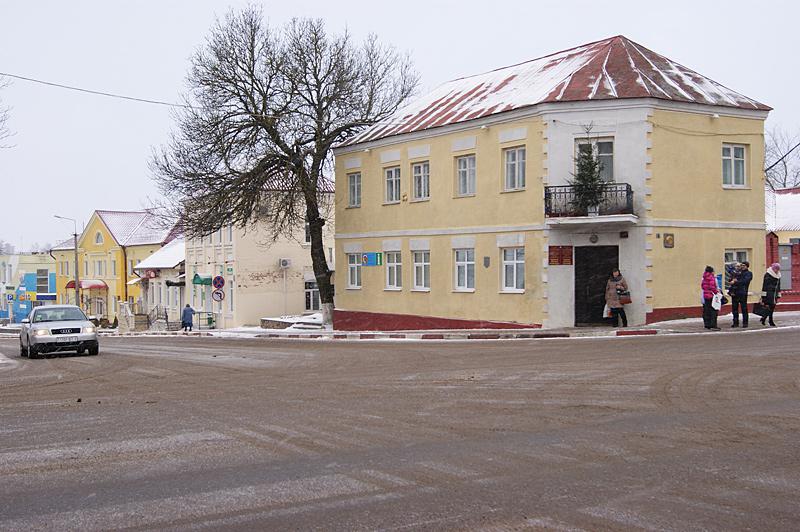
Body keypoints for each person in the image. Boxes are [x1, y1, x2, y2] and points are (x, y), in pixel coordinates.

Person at [729, 261, 752, 328]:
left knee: (744, 308)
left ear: (747, 266)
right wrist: (731, 281)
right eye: (741, 265)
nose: (742, 267)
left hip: (743, 292)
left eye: (744, 265)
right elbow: (731, 278)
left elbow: (745, 281)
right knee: (734, 309)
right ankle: (735, 323)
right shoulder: (738, 272)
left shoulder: (749, 273)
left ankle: (745, 323)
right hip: (735, 292)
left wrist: (735, 282)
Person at [760, 263, 781, 327]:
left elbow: (778, 285)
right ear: (773, 268)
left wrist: (778, 294)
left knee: (772, 308)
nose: (777, 270)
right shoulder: (768, 275)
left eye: (778, 269)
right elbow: (765, 285)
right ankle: (770, 321)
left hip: (774, 294)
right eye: (776, 269)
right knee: (769, 308)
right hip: (768, 294)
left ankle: (764, 319)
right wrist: (763, 296)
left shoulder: (778, 276)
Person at [701, 265, 721, 331]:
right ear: (711, 271)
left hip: (706, 296)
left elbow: (703, 286)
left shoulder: (704, 278)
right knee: (714, 310)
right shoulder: (711, 278)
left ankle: (707, 324)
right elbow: (712, 287)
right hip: (712, 296)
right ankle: (713, 325)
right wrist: (716, 292)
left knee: (707, 310)